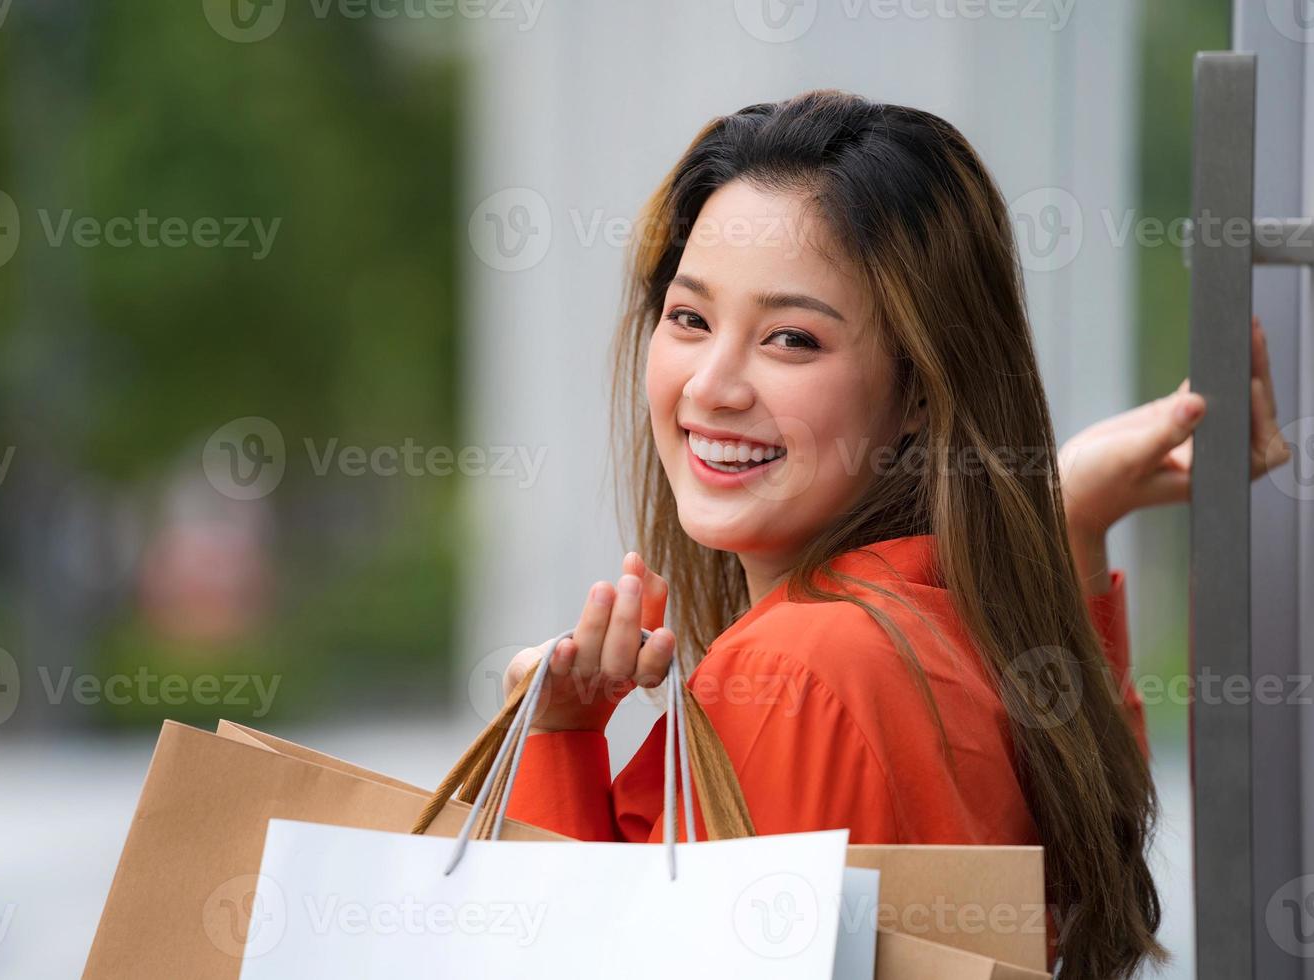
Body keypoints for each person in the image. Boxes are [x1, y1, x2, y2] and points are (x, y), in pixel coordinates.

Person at [497, 90, 1292, 980]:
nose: (712, 385)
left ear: (920, 391)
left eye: (791, 338)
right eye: (690, 318)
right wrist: (1070, 517)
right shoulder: (962, 632)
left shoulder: (797, 669)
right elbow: (1078, 832)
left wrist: (554, 741)